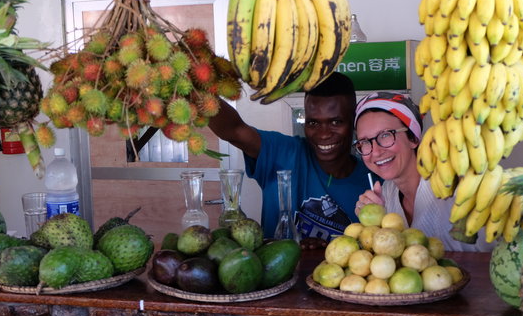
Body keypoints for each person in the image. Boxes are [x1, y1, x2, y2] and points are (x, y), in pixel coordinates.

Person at [208, 72, 373, 242]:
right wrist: (195, 92)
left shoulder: (374, 183)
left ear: (354, 122)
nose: (323, 135)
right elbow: (234, 131)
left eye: (336, 122)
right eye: (313, 123)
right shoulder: (283, 153)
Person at [352, 91, 491, 252]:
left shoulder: (456, 184)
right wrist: (375, 223)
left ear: (413, 138)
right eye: (365, 142)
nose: (375, 152)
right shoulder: (387, 193)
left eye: (385, 135)